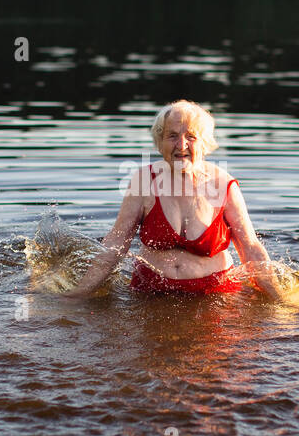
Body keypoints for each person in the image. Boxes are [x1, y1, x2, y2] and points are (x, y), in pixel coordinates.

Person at [63, 100, 281, 298]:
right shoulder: (143, 182)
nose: (181, 145)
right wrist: (80, 293)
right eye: (172, 135)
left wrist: (280, 300)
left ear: (204, 143)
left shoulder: (224, 185)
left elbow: (250, 248)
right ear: (160, 142)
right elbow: (116, 243)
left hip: (215, 293)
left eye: (191, 137)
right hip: (150, 291)